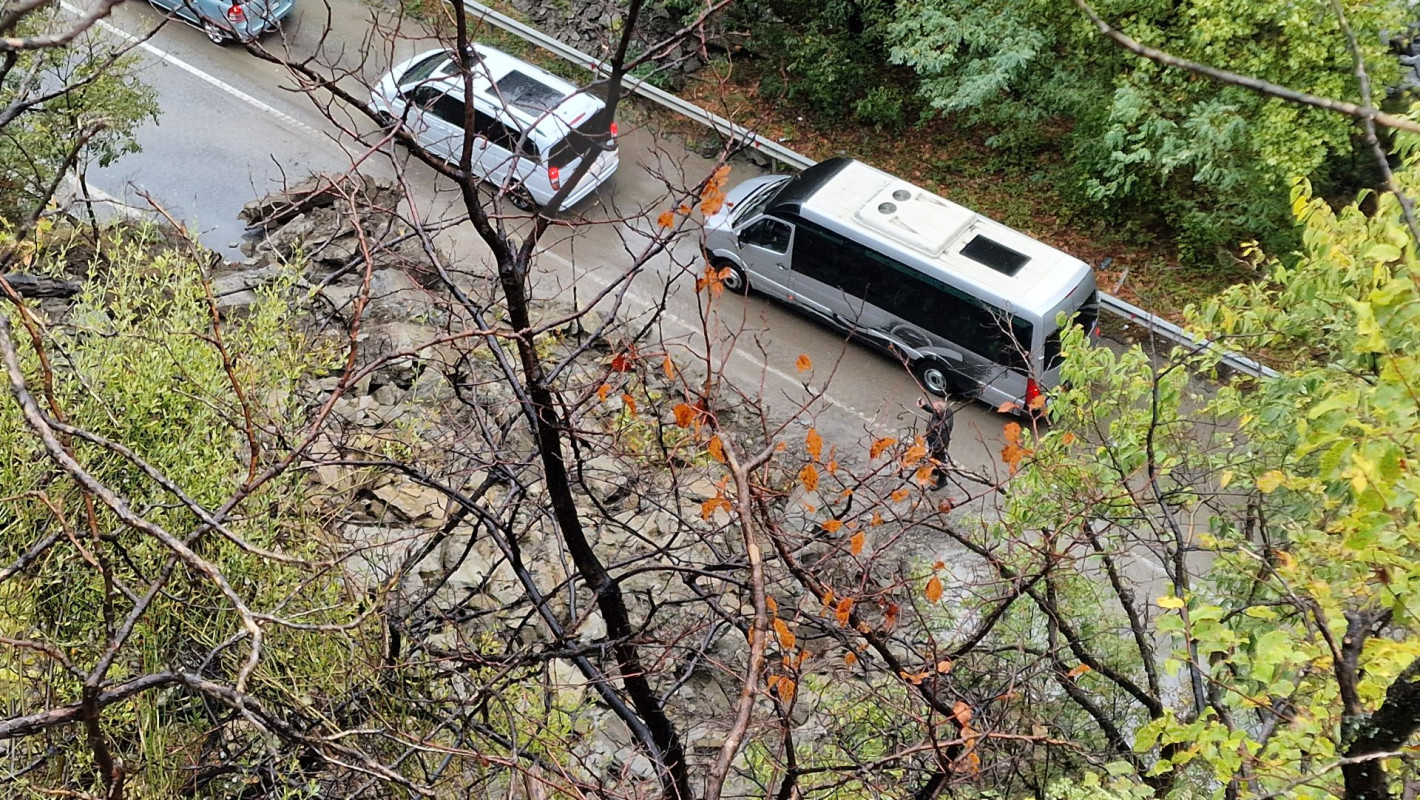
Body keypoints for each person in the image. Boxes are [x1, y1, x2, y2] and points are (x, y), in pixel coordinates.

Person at [919, 397, 955, 490]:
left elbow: (940, 441)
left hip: (938, 443)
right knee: (935, 458)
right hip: (937, 440)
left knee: (942, 461)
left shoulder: (941, 426)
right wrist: (925, 406)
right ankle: (935, 470)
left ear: (938, 411)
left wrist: (933, 449)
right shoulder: (947, 411)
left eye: (935, 409)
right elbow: (935, 412)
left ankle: (942, 481)